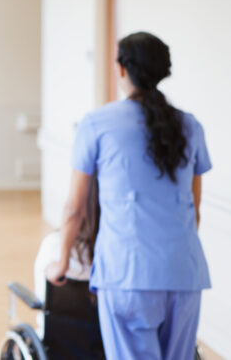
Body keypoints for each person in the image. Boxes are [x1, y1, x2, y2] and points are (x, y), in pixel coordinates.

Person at [45, 32, 212, 359]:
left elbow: (74, 208)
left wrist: (62, 260)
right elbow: (195, 210)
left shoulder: (96, 123)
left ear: (121, 70)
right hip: (184, 274)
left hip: (127, 275)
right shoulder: (190, 126)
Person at [33, 173, 98, 336]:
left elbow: (42, 300)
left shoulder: (53, 246)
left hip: (60, 343)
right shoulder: (118, 256)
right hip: (107, 346)